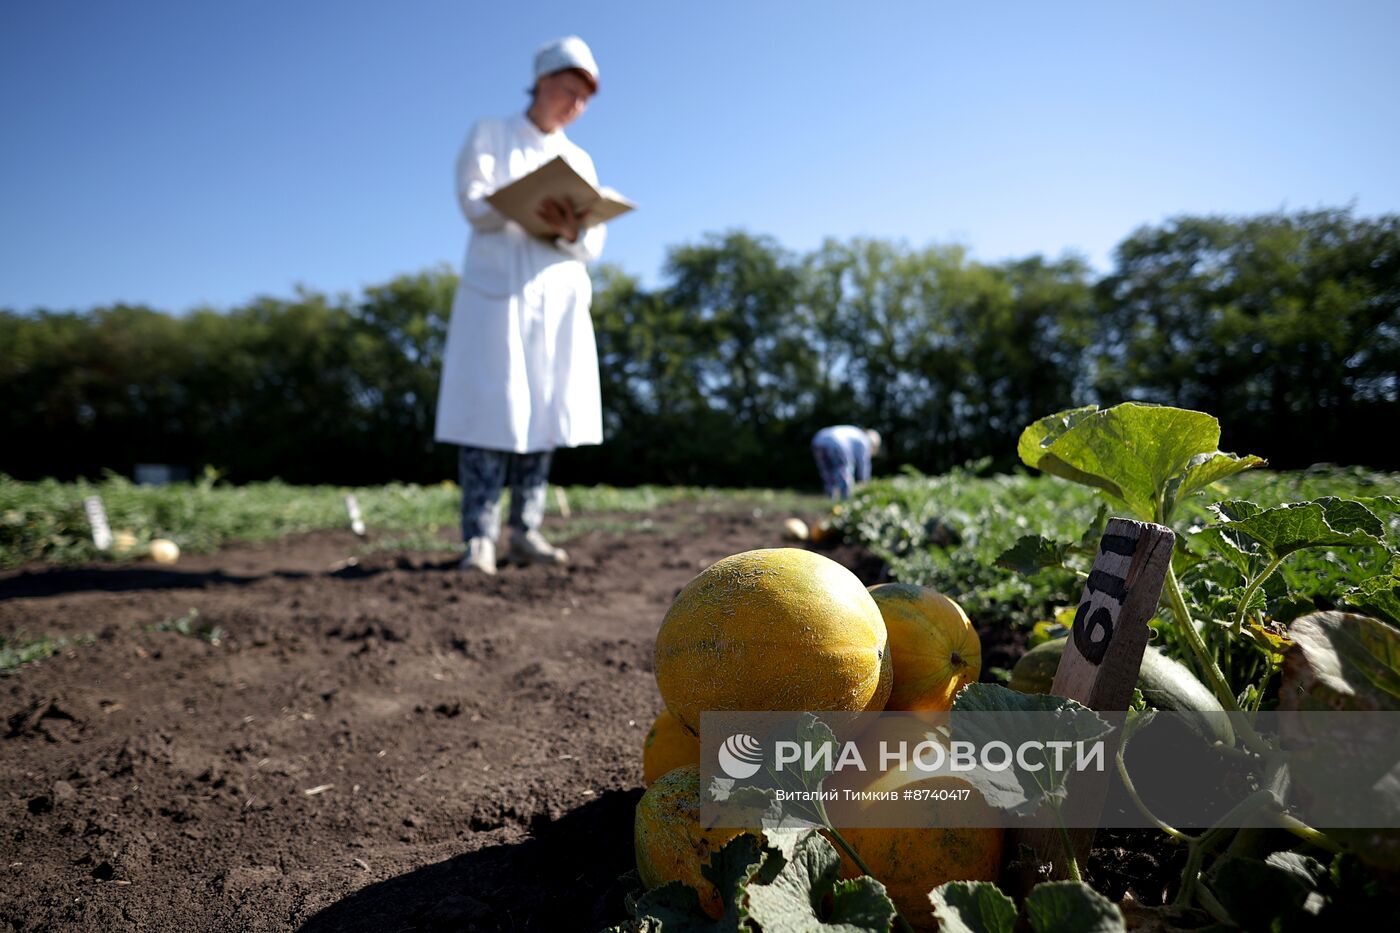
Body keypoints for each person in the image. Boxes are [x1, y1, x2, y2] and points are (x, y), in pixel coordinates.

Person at [435, 36, 608, 574]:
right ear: (540, 82)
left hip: (555, 293)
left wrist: (568, 227)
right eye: (567, 89)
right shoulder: (492, 133)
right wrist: (526, 197)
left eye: (584, 98)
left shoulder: (578, 158)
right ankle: (478, 538)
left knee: (544, 412)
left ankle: (524, 531)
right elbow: (473, 201)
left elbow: (593, 242)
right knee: (492, 410)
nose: (574, 104)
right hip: (500, 294)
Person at [811, 425, 881, 500]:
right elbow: (864, 464)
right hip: (837, 443)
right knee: (844, 470)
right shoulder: (864, 440)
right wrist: (865, 482)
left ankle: (830, 498)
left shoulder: (856, 433)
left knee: (827, 472)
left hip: (818, 440)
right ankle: (846, 499)